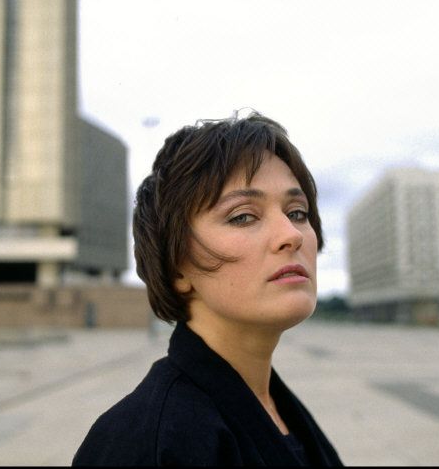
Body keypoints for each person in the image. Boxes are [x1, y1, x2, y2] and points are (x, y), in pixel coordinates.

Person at [72, 110, 343, 466]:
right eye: (243, 216)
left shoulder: (277, 407)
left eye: (297, 212)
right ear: (176, 267)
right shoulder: (149, 443)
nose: (291, 235)